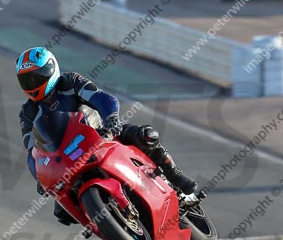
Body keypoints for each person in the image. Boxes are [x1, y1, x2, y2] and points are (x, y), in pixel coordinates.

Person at [16, 47, 198, 226]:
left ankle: (174, 175)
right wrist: (40, 177)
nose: (32, 83)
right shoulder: (27, 113)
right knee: (62, 212)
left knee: (145, 135)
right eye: (26, 80)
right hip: (67, 158)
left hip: (101, 133)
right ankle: (104, 222)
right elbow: (33, 151)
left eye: (37, 76)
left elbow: (102, 98)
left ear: (51, 69)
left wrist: (111, 120)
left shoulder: (70, 82)